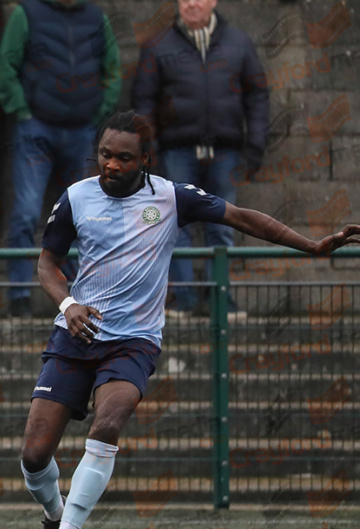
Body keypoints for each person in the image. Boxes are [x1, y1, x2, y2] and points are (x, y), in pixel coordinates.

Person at [21, 111, 358, 529]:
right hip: (77, 335)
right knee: (34, 455)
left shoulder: (170, 197)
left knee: (108, 423)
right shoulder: (77, 198)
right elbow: (47, 265)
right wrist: (69, 304)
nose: (111, 165)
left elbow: (243, 218)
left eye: (123, 158)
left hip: (133, 341)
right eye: (104, 155)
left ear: (144, 159)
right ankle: (54, 515)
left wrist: (314, 246)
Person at [132, 0, 269, 318]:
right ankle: (184, 301)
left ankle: (220, 302)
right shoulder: (158, 46)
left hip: (226, 151)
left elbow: (257, 95)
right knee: (175, 228)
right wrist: (147, 151)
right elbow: (144, 100)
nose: (192, 3)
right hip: (177, 151)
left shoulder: (239, 42)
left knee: (223, 225)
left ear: (213, 2)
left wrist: (257, 143)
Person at [0, 0, 122, 317]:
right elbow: (6, 66)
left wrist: (99, 114)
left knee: (85, 218)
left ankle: (85, 296)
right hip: (36, 129)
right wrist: (22, 112)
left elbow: (113, 69)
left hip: (82, 132)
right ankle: (19, 295)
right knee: (25, 213)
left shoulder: (96, 18)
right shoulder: (27, 14)